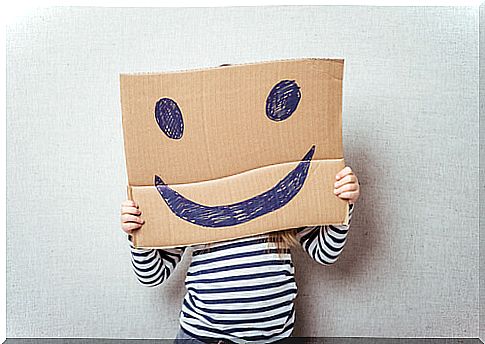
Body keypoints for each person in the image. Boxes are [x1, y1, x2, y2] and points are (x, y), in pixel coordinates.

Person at [120, 166, 360, 344]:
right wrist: (139, 235)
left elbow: (326, 252)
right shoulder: (192, 200)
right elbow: (152, 276)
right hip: (204, 338)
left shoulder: (283, 193)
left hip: (274, 339)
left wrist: (342, 205)